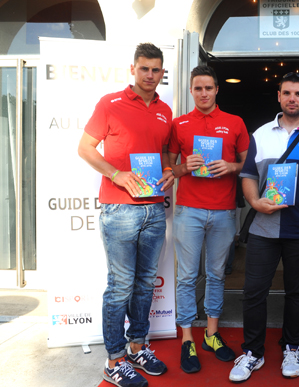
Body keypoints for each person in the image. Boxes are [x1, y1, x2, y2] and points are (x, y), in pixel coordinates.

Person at [229, 72, 299, 382]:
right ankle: (252, 352)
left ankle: (292, 347)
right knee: (254, 293)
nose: (292, 98)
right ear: (279, 96)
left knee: (297, 292)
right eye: (287, 93)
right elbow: (247, 175)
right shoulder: (260, 134)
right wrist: (254, 202)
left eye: (298, 94)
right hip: (264, 228)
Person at [78, 43, 173, 387]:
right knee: (120, 287)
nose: (150, 75)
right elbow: (85, 147)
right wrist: (116, 174)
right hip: (118, 208)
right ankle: (114, 359)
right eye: (144, 68)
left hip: (153, 207)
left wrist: (168, 170)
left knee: (146, 282)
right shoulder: (110, 104)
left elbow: (161, 152)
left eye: (156, 69)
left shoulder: (165, 110)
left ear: (163, 73)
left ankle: (138, 346)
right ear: (132, 69)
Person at [168, 65, 249, 373]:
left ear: (217, 90)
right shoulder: (179, 124)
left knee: (216, 275)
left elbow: (246, 164)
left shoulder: (234, 123)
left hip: (224, 210)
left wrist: (230, 167)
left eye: (208, 88)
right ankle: (188, 336)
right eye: (197, 88)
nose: (203, 93)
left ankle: (211, 334)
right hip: (188, 210)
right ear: (191, 91)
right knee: (187, 276)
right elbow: (168, 170)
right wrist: (182, 167)